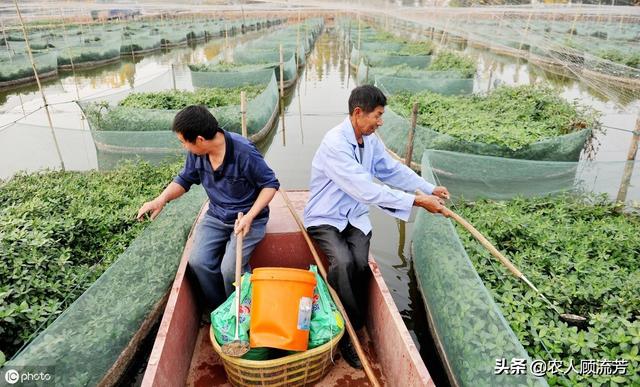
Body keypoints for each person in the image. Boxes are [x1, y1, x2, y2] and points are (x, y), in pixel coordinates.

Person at [303, 85, 450, 369]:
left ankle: (345, 309)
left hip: (355, 216)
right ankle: (349, 332)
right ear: (358, 113)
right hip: (326, 217)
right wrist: (418, 203)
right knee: (343, 263)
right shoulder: (335, 143)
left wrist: (428, 187)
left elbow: (391, 170)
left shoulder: (370, 140)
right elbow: (367, 191)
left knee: (360, 264)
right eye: (378, 115)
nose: (381, 122)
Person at [137, 105, 279, 314]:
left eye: (184, 142)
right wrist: (161, 200)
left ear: (200, 140)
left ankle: (241, 312)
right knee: (198, 262)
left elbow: (270, 184)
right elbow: (185, 179)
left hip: (247, 219)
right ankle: (220, 310)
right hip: (216, 215)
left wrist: (249, 217)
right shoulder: (197, 154)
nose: (184, 147)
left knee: (230, 268)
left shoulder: (244, 152)